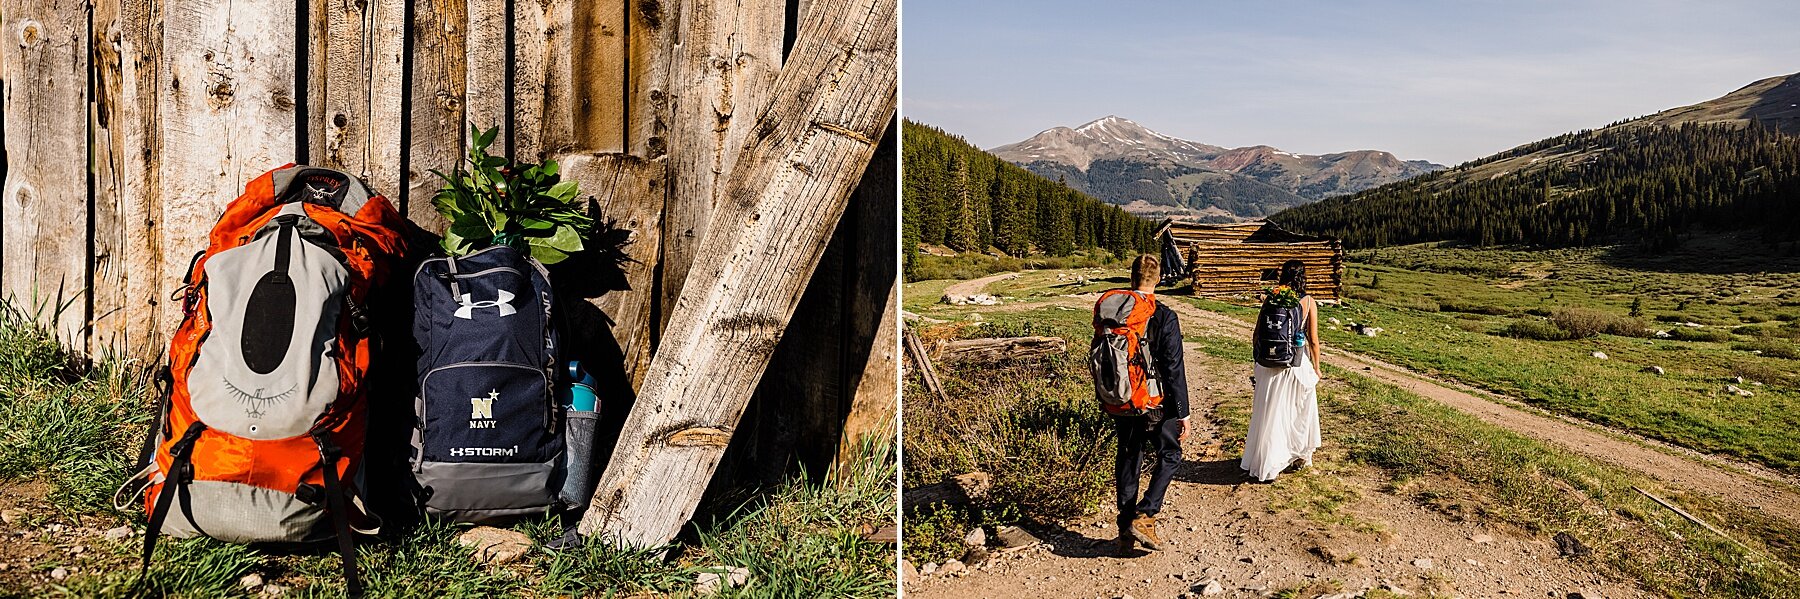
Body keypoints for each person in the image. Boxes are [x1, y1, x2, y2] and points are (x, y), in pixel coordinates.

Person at [1107, 255, 1190, 555]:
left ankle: (1124, 531)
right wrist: (1183, 412)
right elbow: (1174, 368)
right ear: (1158, 279)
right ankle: (1146, 515)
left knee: (1129, 459)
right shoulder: (1164, 315)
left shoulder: (1115, 311)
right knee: (1170, 454)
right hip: (1154, 402)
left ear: (1132, 277)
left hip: (1121, 398)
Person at [1242, 259, 1323, 482]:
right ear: (1303, 277)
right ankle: (1297, 456)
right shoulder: (1308, 302)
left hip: (1268, 364)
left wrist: (1258, 361)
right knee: (1297, 410)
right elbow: (1313, 340)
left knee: (1269, 413)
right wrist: (1316, 367)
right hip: (1294, 364)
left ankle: (1265, 461)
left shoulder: (1271, 298)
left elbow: (1256, 333)